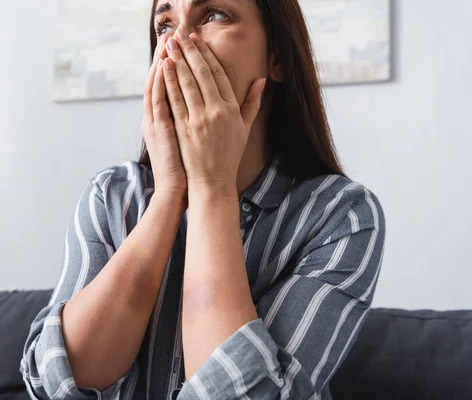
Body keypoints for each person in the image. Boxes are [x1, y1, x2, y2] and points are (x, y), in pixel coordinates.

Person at [20, 0, 386, 399]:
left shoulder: (341, 216)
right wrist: (170, 194)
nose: (177, 42)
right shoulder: (111, 196)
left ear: (276, 56)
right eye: (164, 23)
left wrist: (213, 186)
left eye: (214, 14)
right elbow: (56, 381)